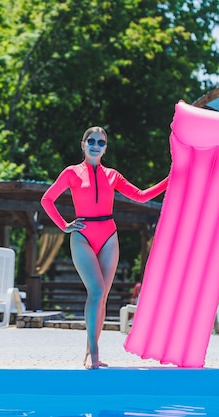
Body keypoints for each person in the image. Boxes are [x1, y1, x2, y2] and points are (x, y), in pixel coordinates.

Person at [41, 126, 168, 369]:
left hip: (109, 234)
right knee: (96, 292)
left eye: (101, 142)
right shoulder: (71, 173)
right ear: (83, 144)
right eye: (92, 141)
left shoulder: (113, 176)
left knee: (102, 298)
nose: (96, 145)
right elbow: (47, 199)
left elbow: (141, 196)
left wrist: (170, 180)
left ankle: (91, 350)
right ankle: (94, 353)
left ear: (105, 148)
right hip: (82, 235)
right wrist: (64, 225)